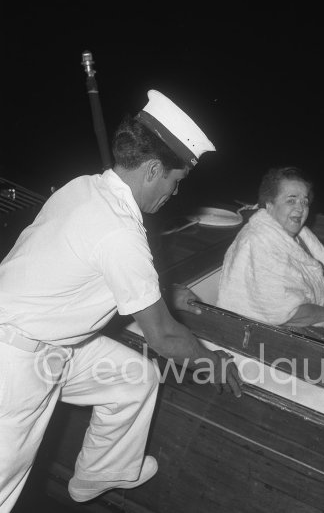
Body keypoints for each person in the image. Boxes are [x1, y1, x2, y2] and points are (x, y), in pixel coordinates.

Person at [0, 89, 242, 511]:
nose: (175, 193)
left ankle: (100, 473)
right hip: (13, 368)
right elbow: (165, 336)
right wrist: (213, 362)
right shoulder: (121, 234)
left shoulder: (83, 186)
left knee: (134, 377)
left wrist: (163, 293)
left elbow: (89, 266)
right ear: (152, 170)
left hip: (48, 344)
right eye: (175, 180)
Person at [217, 166, 324, 348]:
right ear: (269, 205)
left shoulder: (292, 233)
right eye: (291, 200)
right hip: (266, 336)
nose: (300, 208)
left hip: (303, 322)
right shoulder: (258, 243)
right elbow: (286, 313)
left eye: (304, 201)